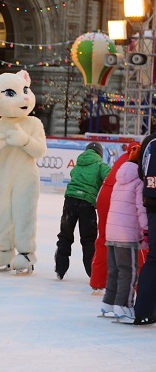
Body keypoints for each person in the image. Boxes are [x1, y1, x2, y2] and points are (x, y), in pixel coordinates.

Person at [99, 146, 146, 321]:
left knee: (114, 270)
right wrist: (145, 230)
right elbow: (140, 209)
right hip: (127, 234)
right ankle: (124, 305)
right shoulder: (139, 181)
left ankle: (108, 303)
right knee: (129, 271)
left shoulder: (119, 179)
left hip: (112, 231)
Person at [54, 142, 110, 280]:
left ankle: (60, 270)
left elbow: (73, 174)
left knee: (65, 235)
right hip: (87, 204)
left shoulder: (78, 164)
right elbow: (109, 178)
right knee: (88, 239)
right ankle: (92, 273)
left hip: (70, 201)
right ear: (100, 154)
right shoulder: (100, 165)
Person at [90, 142, 140, 293]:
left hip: (105, 195)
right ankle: (140, 285)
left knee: (104, 239)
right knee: (136, 240)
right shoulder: (138, 161)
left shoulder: (123, 159)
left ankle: (98, 281)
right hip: (119, 198)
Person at [134, 133, 156, 325]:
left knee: (154, 258)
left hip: (151, 203)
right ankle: (145, 310)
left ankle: (144, 309)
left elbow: (142, 172)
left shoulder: (149, 141)